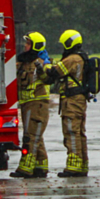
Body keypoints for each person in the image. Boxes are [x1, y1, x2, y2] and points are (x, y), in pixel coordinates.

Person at [47, 29, 89, 177]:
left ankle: (73, 166)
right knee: (79, 132)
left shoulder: (72, 59)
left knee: (71, 131)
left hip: (71, 100)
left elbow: (55, 73)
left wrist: (45, 67)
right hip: (78, 99)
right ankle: (82, 165)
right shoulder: (81, 57)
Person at [11, 32, 50, 178]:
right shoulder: (23, 61)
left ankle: (25, 168)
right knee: (36, 137)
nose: (25, 46)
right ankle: (41, 167)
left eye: (28, 43)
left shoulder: (42, 62)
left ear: (35, 45)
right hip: (27, 104)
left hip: (37, 104)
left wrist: (42, 67)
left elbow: (47, 78)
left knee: (30, 137)